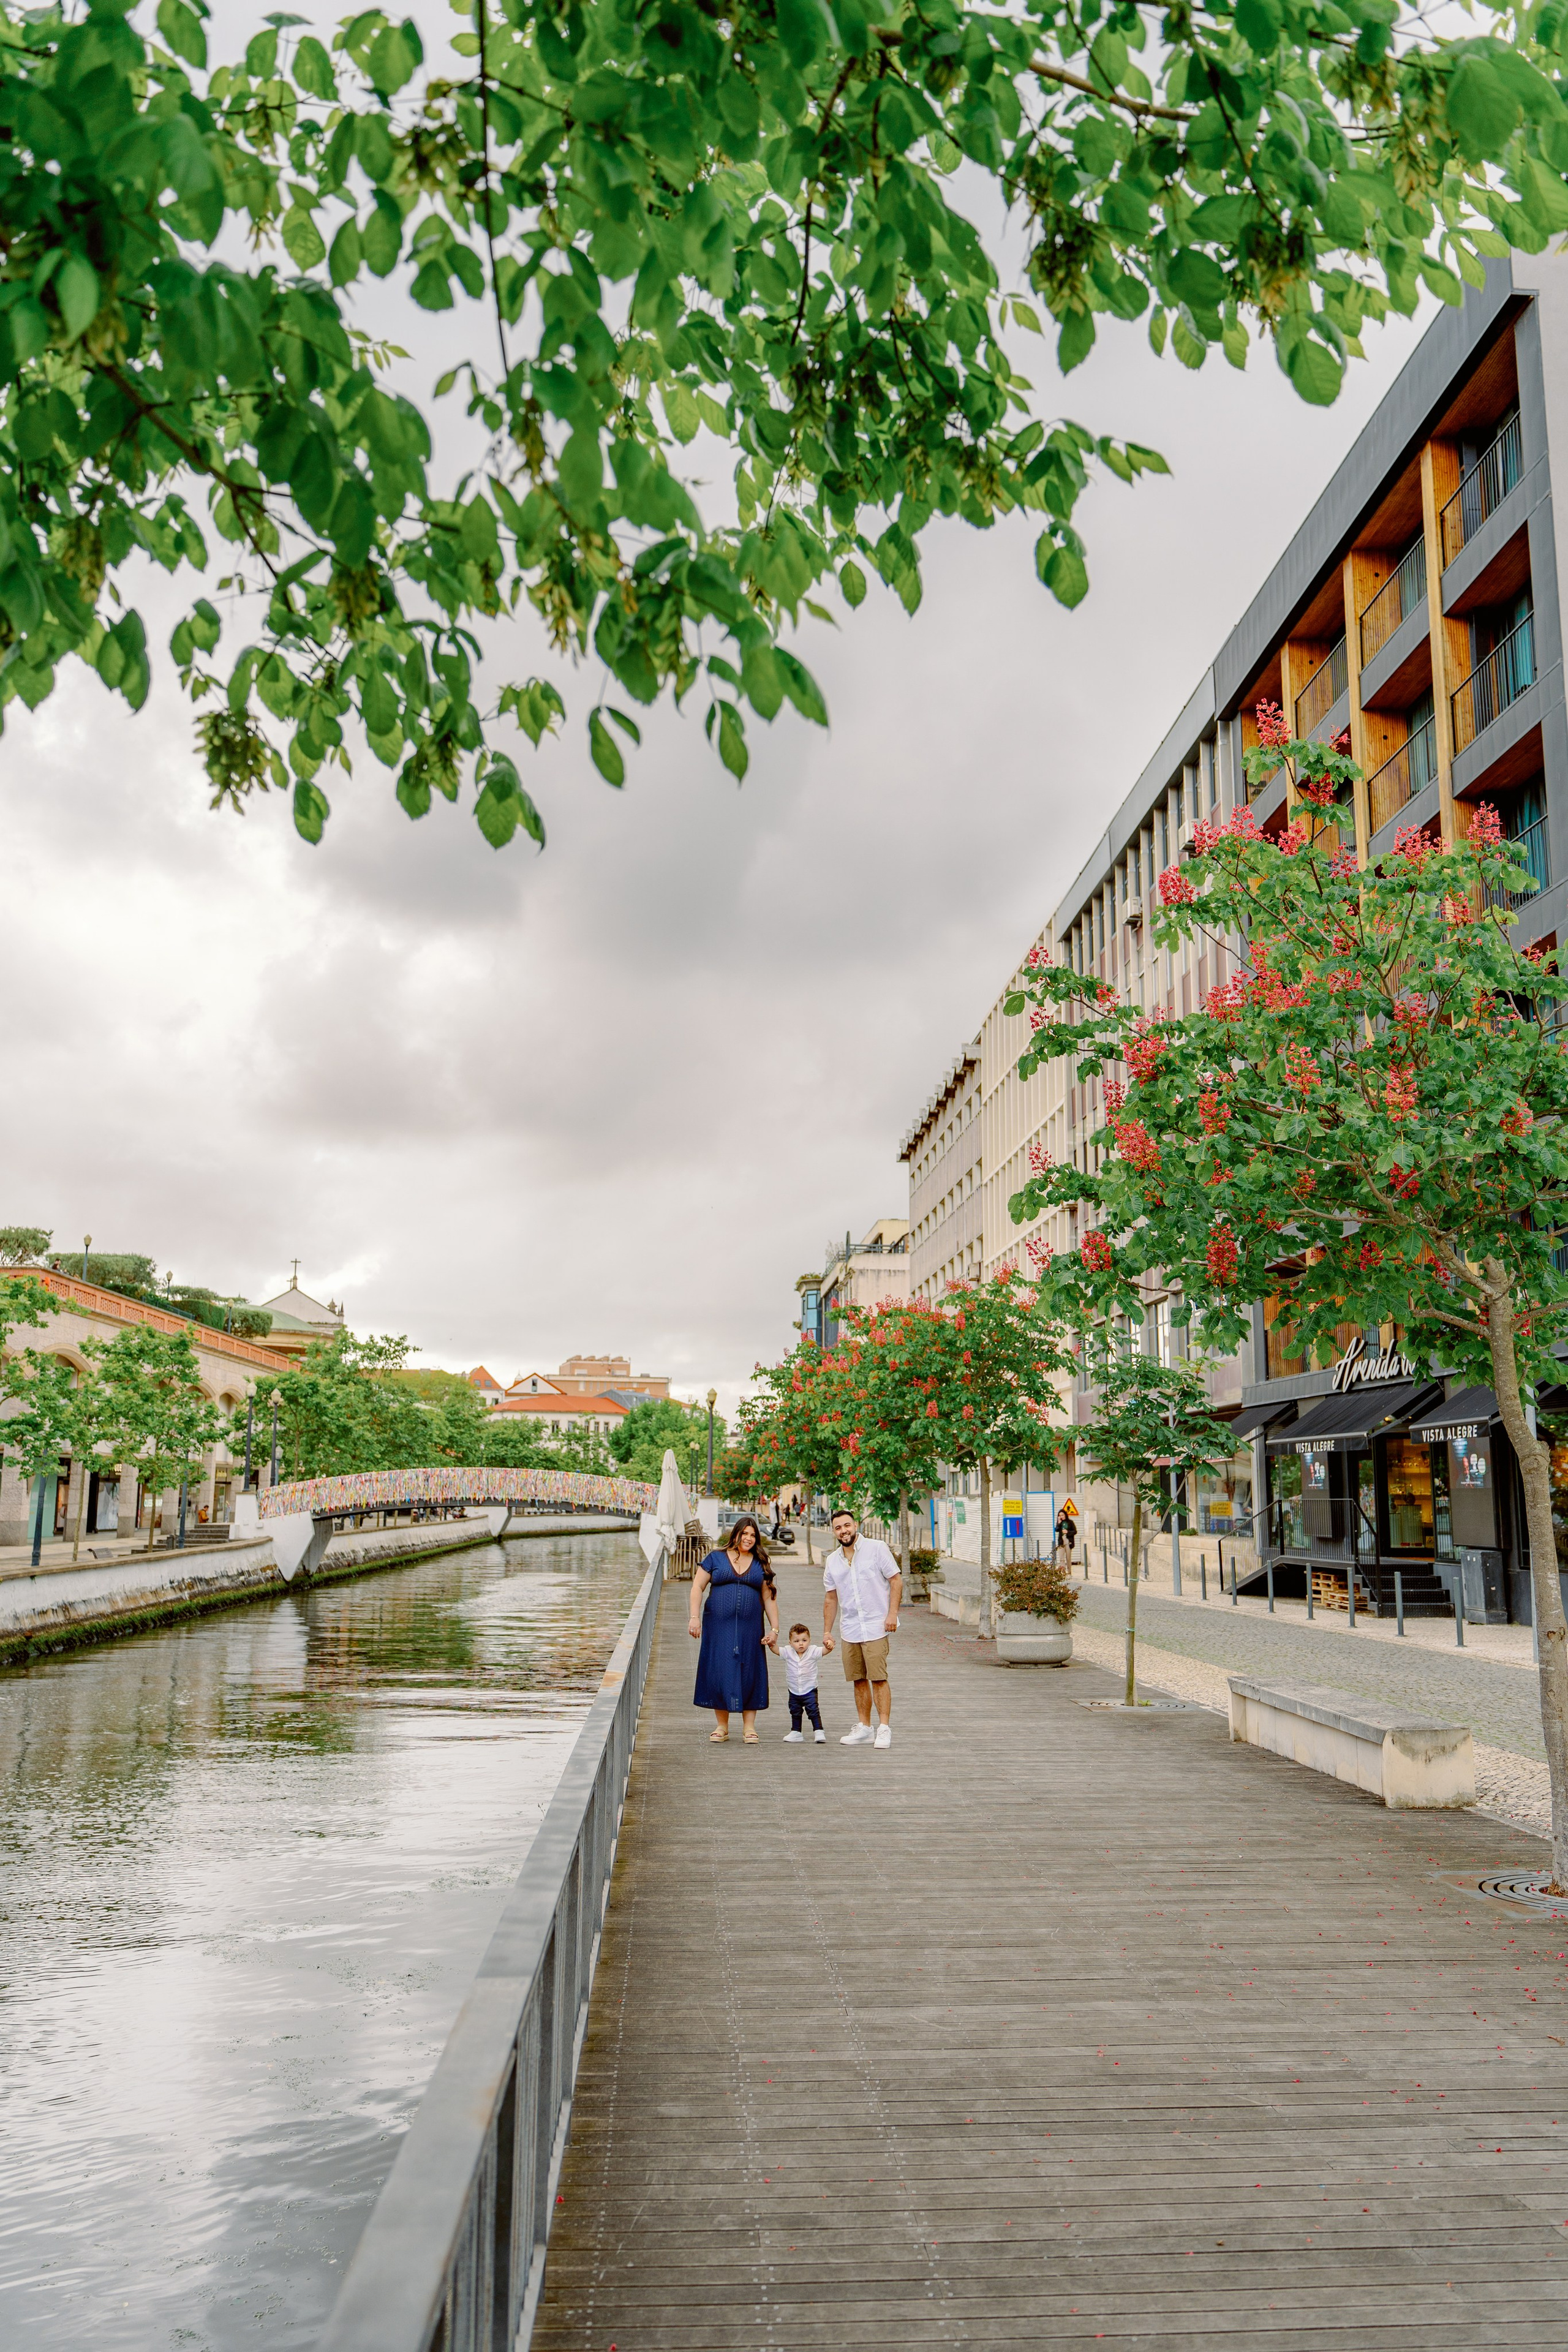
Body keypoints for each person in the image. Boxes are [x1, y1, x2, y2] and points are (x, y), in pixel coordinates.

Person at [690, 1513, 778, 1743]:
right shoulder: (715, 1558)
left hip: (751, 1628)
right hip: (717, 1627)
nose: (748, 1538)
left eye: (753, 1535)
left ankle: (749, 1728)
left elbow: (769, 1598)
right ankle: (722, 1726)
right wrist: (694, 1617)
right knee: (720, 1668)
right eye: (744, 1533)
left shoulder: (761, 1562)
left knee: (750, 1668)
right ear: (736, 1534)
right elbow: (697, 1587)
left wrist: (774, 1630)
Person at [822, 1506, 900, 1750]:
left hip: (877, 1625)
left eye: (847, 1525)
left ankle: (884, 1728)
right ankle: (864, 1728)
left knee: (878, 1678)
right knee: (858, 1679)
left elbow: (896, 1580)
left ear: (855, 1525)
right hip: (850, 1629)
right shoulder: (832, 1561)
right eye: (838, 1527)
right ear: (833, 1531)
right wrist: (827, 1631)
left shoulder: (876, 1548)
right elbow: (831, 1599)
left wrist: (892, 1614)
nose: (843, 1531)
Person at [779, 1621, 830, 1743]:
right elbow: (776, 1650)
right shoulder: (788, 1652)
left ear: (810, 1640)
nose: (801, 1644)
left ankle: (818, 1731)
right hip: (794, 1689)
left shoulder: (813, 1651)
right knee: (795, 1711)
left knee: (813, 1710)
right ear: (790, 1643)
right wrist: (770, 1643)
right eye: (797, 1641)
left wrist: (829, 1645)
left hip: (809, 1689)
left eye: (804, 1640)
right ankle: (796, 1732)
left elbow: (825, 1651)